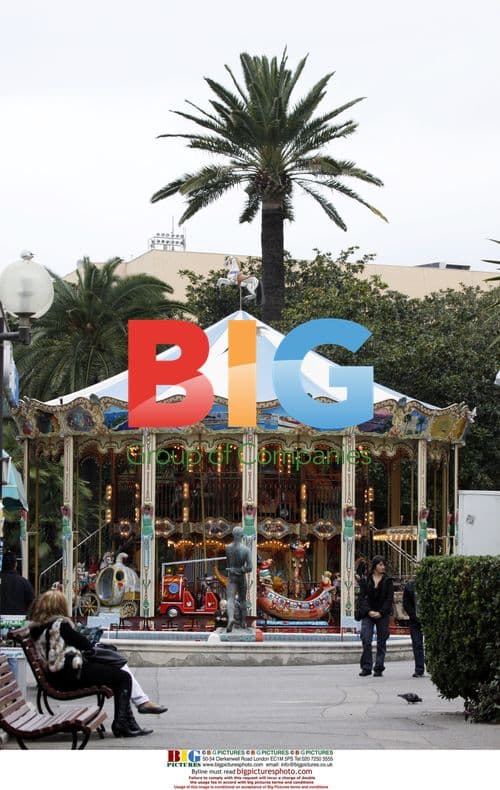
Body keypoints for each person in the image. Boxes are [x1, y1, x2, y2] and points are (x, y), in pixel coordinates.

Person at [29, 590, 167, 738]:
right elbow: (85, 644)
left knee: (118, 673)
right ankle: (122, 723)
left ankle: (131, 722)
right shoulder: (58, 626)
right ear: (60, 607)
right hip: (69, 675)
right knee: (123, 677)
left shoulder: (38, 628)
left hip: (59, 675)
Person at [358, 555, 394, 677]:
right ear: (375, 566)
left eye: (384, 565)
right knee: (366, 638)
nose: (383, 567)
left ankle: (379, 667)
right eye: (380, 564)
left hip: (382, 614)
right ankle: (366, 666)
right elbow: (361, 598)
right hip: (368, 613)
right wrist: (369, 611)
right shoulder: (366, 580)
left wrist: (381, 612)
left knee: (381, 641)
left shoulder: (388, 581)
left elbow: (389, 600)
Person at [225, 526, 252, 632]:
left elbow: (228, 563)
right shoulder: (246, 550)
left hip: (232, 576)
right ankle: (243, 622)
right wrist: (240, 570)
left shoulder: (228, 548)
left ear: (233, 534)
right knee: (242, 599)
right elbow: (250, 567)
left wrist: (233, 570)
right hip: (241, 577)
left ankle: (231, 618)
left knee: (230, 599)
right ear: (242, 536)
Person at [0, 550, 35, 615]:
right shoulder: (24, 582)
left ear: (2, 564)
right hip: (20, 619)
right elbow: (33, 603)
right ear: (15, 564)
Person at [403, 578, 425, 677]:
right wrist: (414, 616)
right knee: (417, 643)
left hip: (429, 618)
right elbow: (406, 604)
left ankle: (431, 666)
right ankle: (419, 669)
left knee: (431, 644)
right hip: (415, 620)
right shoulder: (410, 586)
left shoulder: (431, 583)